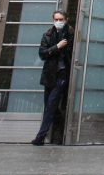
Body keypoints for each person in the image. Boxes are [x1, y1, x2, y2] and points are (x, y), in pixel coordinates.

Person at [31, 10, 73, 146]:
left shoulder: (70, 35)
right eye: (56, 19)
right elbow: (42, 54)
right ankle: (60, 133)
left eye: (61, 19)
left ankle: (40, 137)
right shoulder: (48, 35)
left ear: (66, 20)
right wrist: (57, 47)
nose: (58, 22)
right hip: (50, 75)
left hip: (62, 74)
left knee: (51, 105)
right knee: (51, 107)